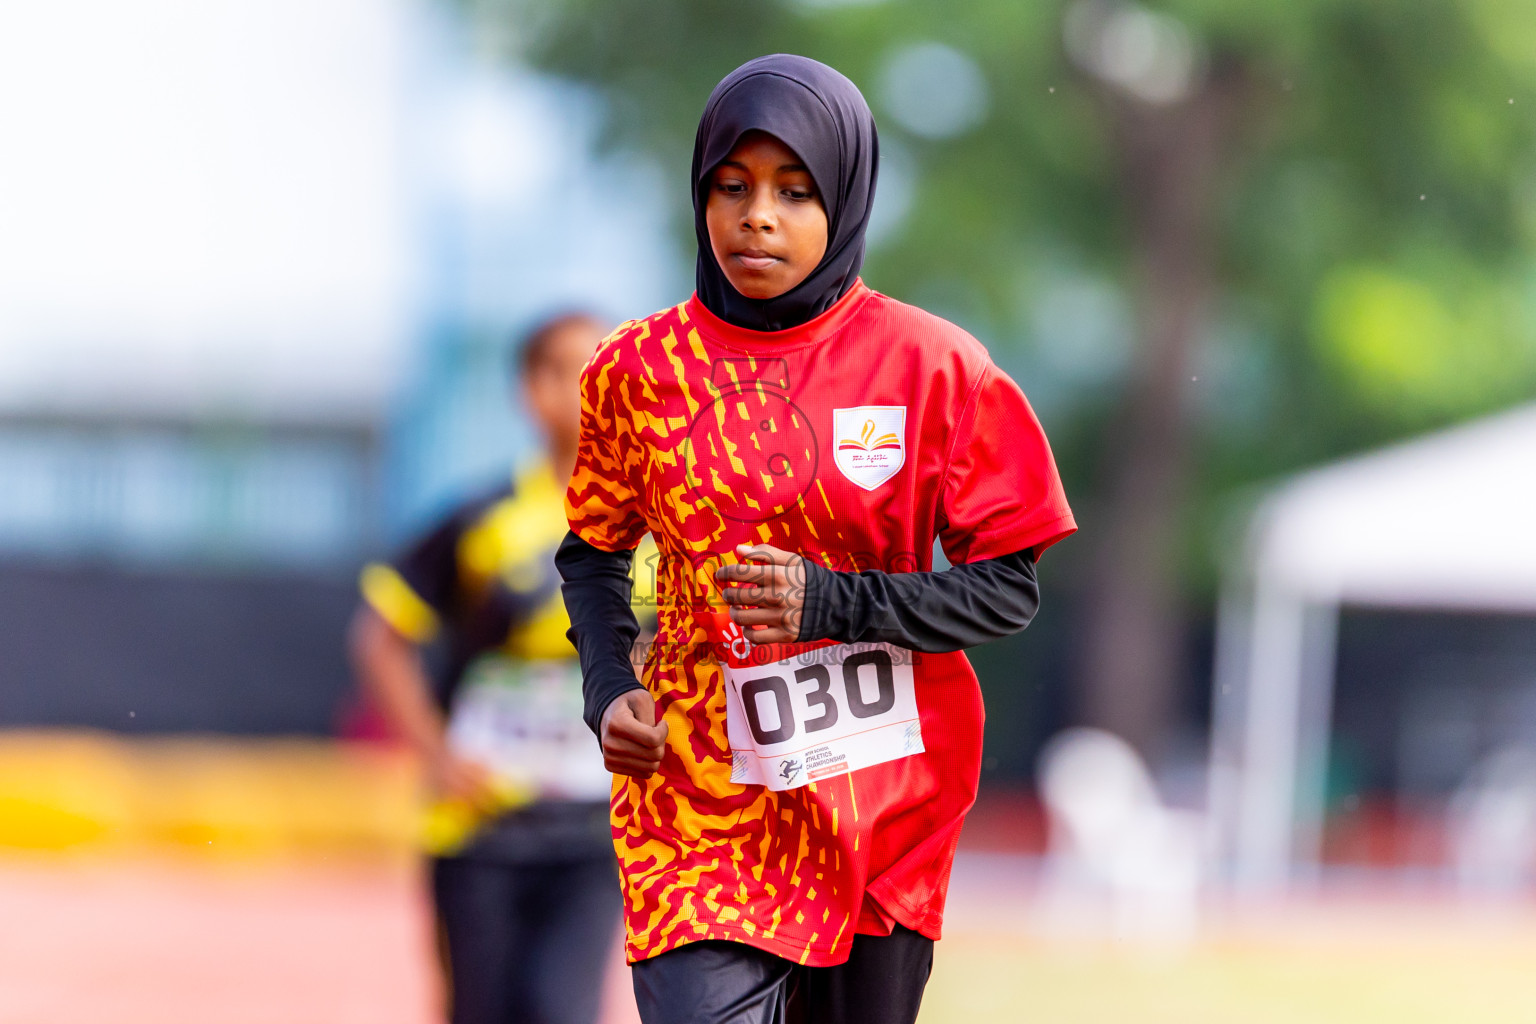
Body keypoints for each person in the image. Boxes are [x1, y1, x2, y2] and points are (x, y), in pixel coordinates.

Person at [556, 55, 1076, 1024]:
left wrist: (835, 600)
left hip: (878, 807)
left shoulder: (935, 368)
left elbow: (1008, 584)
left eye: (795, 192)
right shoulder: (635, 370)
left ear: (845, 197)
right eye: (733, 186)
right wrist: (608, 686)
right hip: (696, 800)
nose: (759, 216)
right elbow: (591, 551)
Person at [350, 312, 653, 1024]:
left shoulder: (656, 525)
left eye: (606, 372)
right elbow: (379, 638)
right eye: (571, 372)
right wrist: (435, 753)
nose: (591, 390)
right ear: (532, 390)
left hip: (595, 828)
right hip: (480, 826)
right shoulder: (479, 520)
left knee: (562, 1009)